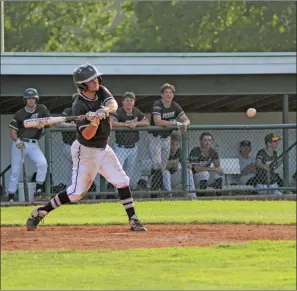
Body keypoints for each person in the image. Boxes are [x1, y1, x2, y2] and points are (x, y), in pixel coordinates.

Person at [26, 64, 146, 232]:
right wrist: (94, 121)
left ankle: (133, 219)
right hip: (86, 151)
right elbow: (88, 135)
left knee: (122, 181)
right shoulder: (79, 106)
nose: (96, 81)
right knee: (76, 193)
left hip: (104, 148)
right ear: (83, 84)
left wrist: (103, 110)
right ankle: (40, 211)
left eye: (96, 78)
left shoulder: (101, 91)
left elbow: (113, 104)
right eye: (91, 80)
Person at [8, 88, 50, 202]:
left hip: (33, 143)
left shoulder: (42, 109)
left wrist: (44, 124)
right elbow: (12, 131)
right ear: (25, 100)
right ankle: (11, 196)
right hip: (20, 143)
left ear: (36, 99)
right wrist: (17, 140)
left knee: (42, 163)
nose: (31, 100)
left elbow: (49, 122)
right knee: (15, 171)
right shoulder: (20, 113)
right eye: (28, 98)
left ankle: (39, 190)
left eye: (33, 98)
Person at [148, 83, 190, 196]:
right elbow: (158, 121)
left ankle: (158, 190)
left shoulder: (175, 105)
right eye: (166, 92)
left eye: (171, 92)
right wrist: (175, 123)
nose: (169, 94)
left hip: (166, 138)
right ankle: (154, 191)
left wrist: (184, 124)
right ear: (162, 94)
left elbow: (186, 120)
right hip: (155, 137)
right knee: (156, 163)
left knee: (163, 166)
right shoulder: (157, 104)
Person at [57, 100, 101, 197]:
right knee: (79, 167)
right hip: (69, 145)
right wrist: (75, 125)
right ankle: (80, 190)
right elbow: (60, 124)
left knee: (84, 168)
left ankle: (86, 189)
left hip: (86, 146)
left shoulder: (87, 112)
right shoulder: (68, 111)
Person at [110, 91, 149, 190]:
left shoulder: (136, 111)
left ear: (134, 102)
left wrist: (136, 123)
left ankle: (125, 194)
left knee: (128, 174)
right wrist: (125, 124)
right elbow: (111, 123)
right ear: (122, 102)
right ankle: (116, 194)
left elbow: (146, 122)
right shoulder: (119, 111)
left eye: (131, 100)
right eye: (127, 100)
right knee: (118, 172)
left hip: (133, 147)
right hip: (120, 148)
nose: (129, 102)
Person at [162, 134, 196, 198]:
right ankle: (168, 195)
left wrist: (188, 165)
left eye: (176, 144)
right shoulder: (165, 151)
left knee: (188, 171)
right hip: (161, 179)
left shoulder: (179, 151)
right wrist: (171, 164)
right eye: (172, 144)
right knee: (166, 172)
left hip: (173, 178)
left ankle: (192, 195)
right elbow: (160, 168)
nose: (174, 146)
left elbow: (187, 164)